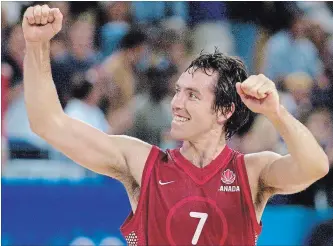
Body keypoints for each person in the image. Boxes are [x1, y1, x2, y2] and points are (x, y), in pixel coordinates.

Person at [22, 5, 329, 246]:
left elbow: (315, 166)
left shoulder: (252, 172)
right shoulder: (143, 163)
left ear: (224, 110)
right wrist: (36, 46)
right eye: (178, 91)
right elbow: (48, 123)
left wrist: (277, 113)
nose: (176, 103)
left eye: (192, 95)